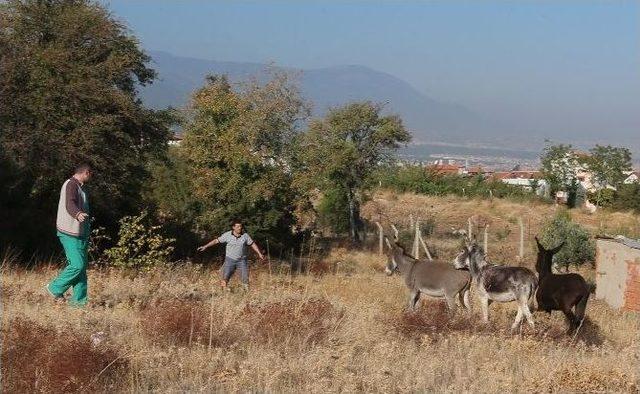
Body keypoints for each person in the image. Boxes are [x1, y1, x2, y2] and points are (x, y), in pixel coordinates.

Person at [46, 163, 92, 306]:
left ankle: (78, 303)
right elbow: (69, 204)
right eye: (91, 174)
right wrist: (77, 214)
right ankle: (55, 287)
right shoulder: (70, 185)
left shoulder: (79, 187)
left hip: (79, 234)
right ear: (86, 173)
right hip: (69, 232)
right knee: (77, 265)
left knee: (81, 268)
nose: (92, 177)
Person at [198, 220, 265, 291]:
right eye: (238, 226)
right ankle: (223, 293)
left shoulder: (245, 236)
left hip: (242, 260)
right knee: (225, 277)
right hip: (230, 260)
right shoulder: (227, 235)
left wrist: (259, 253)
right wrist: (205, 246)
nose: (240, 228)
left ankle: (246, 292)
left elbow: (252, 244)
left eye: (240, 226)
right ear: (233, 227)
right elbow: (216, 241)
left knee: (245, 277)